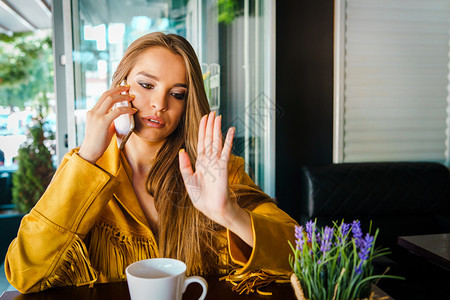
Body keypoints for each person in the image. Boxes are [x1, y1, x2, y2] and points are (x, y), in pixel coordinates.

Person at [5, 32, 297, 294]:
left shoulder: (217, 170)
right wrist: (88, 158)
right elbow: (22, 273)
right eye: (146, 85)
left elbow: (301, 253)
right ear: (120, 87)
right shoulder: (84, 170)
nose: (159, 103)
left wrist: (230, 213)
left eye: (177, 94)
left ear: (187, 104)